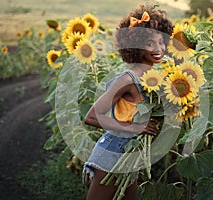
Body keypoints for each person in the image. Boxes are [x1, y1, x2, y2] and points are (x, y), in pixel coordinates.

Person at [83, 4, 173, 200]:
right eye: (150, 43)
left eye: (161, 41)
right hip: (113, 153)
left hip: (131, 156)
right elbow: (91, 116)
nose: (158, 49)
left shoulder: (155, 77)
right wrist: (135, 128)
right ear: (136, 46)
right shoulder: (128, 79)